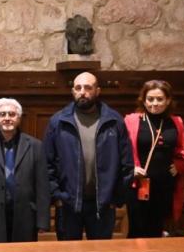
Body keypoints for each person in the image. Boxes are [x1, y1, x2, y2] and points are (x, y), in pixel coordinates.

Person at [44, 71, 133, 240]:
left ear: (98, 91)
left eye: (88, 87)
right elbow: (47, 164)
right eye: (78, 88)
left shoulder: (114, 121)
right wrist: (58, 196)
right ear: (72, 91)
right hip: (68, 204)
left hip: (103, 205)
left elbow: (126, 164)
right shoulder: (58, 122)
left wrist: (116, 198)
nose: (82, 92)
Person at [124, 80, 184, 238]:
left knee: (157, 228)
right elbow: (121, 150)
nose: (154, 103)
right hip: (139, 184)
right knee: (137, 229)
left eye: (160, 99)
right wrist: (131, 168)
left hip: (165, 184)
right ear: (143, 99)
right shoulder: (132, 121)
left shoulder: (177, 122)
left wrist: (179, 166)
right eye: (150, 99)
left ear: (168, 100)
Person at [0, 98, 50, 243]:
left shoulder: (35, 146)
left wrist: (42, 221)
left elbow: (42, 186)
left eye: (12, 114)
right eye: (2, 114)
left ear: (19, 118)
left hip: (25, 216)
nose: (7, 118)